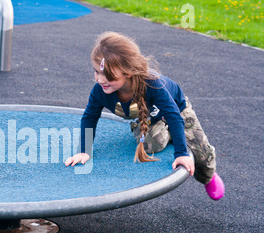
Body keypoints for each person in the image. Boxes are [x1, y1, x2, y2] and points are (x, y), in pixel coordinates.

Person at [65, 31, 224, 200]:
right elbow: (90, 117)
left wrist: (182, 154)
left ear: (128, 73)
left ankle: (208, 176)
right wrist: (84, 150)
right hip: (149, 117)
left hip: (178, 110)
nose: (100, 79)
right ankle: (166, 131)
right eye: (96, 71)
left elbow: (175, 116)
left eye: (108, 75)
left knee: (201, 152)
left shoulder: (153, 84)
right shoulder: (100, 91)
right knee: (149, 145)